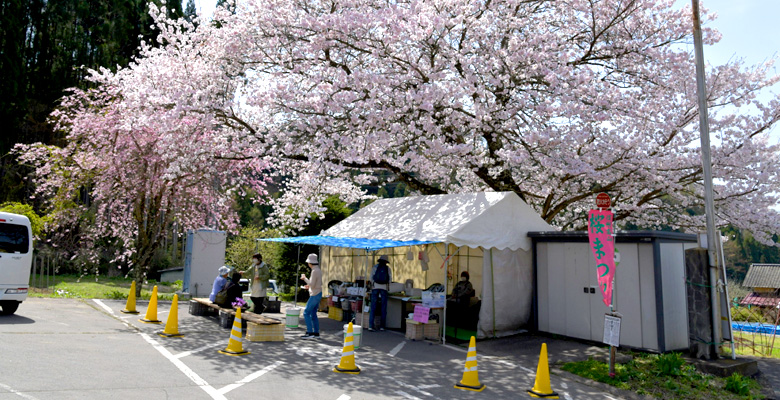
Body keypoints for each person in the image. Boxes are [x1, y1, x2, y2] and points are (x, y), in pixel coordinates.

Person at [300, 253, 322, 339]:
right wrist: (309, 286)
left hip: (314, 294)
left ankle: (310, 332)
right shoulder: (318, 270)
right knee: (313, 314)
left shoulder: (314, 271)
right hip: (318, 292)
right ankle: (316, 332)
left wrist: (304, 278)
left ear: (310, 263)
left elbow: (312, 284)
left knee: (306, 312)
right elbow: (315, 284)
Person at [369, 254, 392, 332]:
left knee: (373, 307)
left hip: (375, 287)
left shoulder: (375, 267)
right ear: (386, 261)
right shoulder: (388, 269)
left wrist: (373, 284)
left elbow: (371, 278)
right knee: (383, 307)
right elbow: (390, 279)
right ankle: (382, 326)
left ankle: (370, 326)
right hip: (384, 288)